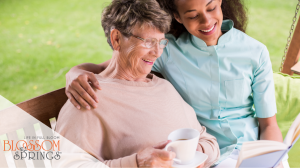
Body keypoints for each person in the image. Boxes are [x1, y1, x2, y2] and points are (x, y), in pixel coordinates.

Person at [64, 0, 288, 167]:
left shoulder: (254, 51)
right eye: (193, 15)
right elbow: (114, 67)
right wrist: (74, 73)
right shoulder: (167, 51)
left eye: (211, 8)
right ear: (178, 17)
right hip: (216, 160)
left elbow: (267, 125)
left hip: (251, 150)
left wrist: (268, 158)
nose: (207, 21)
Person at [55, 0, 220, 167]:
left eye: (162, 42)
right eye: (148, 41)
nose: (157, 52)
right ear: (117, 39)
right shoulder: (88, 97)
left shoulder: (164, 88)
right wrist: (137, 163)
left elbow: (208, 141)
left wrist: (193, 153)